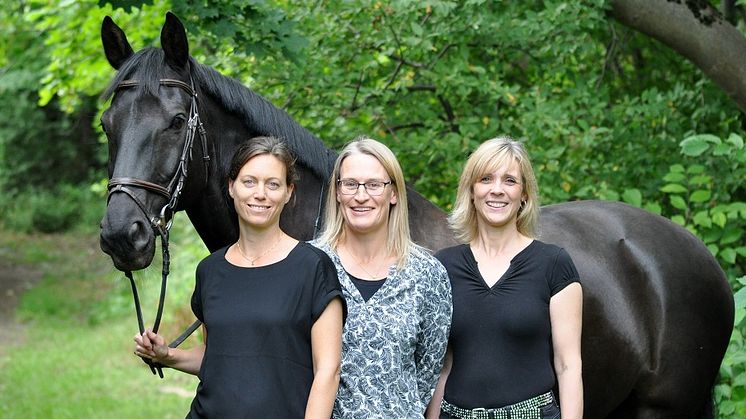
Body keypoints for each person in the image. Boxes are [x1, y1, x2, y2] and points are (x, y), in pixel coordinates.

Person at [134, 136, 346, 418]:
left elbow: (327, 372)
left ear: (288, 192)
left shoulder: (313, 267)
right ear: (231, 187)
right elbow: (219, 356)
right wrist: (168, 356)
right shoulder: (210, 270)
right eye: (249, 182)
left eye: (273, 184)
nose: (260, 193)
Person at [429, 136, 583, 419]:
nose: (497, 190)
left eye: (510, 181)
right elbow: (444, 365)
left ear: (524, 194)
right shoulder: (443, 266)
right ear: (472, 191)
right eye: (486, 179)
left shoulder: (553, 264)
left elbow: (568, 365)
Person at [311, 136, 452, 418]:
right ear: (337, 192)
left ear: (394, 193)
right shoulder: (310, 265)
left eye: (374, 185)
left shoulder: (427, 273)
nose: (360, 196)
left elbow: (428, 372)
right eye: (350, 184)